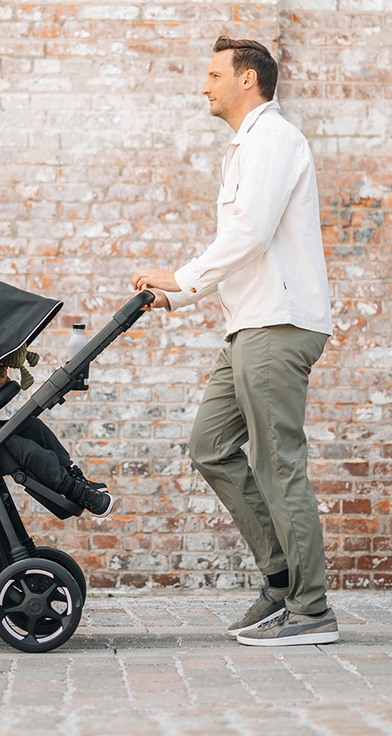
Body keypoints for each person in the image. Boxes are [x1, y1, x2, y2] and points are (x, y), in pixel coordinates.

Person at [131, 36, 337, 646]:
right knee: (211, 446)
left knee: (278, 464)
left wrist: (182, 277)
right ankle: (280, 579)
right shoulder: (248, 145)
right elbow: (245, 244)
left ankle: (310, 610)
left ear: (248, 79)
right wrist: (179, 296)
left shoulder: (272, 139)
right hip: (249, 323)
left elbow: (249, 232)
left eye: (215, 74)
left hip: (277, 323)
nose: (205, 86)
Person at [0, 353, 114, 517]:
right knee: (28, 451)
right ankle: (75, 490)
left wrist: (0, 380)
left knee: (33, 426)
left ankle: (72, 475)